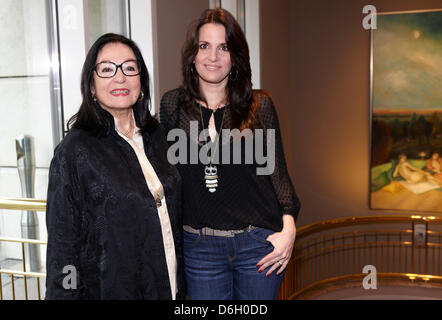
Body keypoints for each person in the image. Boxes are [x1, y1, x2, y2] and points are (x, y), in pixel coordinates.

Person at [160, 9, 301, 300]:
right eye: (205, 46)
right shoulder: (172, 105)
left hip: (258, 244)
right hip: (199, 248)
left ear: (235, 56)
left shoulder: (259, 105)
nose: (213, 56)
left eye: (223, 47)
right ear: (193, 55)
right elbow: (164, 175)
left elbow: (277, 174)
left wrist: (289, 230)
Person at [45, 33, 184, 300]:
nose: (120, 77)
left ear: (141, 83)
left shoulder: (158, 138)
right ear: (92, 87)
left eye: (129, 68)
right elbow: (63, 250)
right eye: (107, 69)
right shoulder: (74, 151)